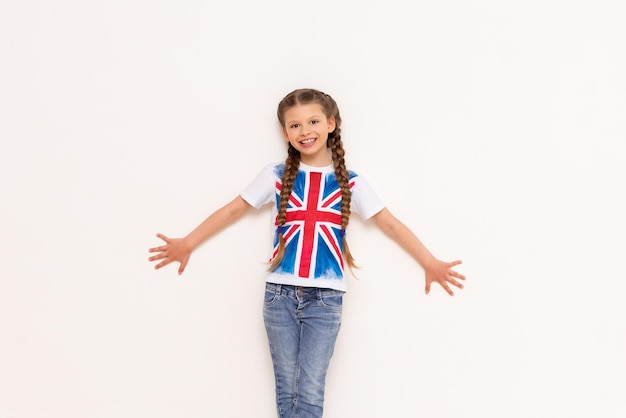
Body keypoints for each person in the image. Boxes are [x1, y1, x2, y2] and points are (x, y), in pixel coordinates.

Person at [148, 88, 465, 418]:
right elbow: (232, 211)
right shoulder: (275, 175)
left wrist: (429, 261)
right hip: (278, 296)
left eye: (313, 121)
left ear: (330, 124)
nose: (305, 131)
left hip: (326, 299)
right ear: (285, 132)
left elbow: (390, 224)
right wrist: (187, 243)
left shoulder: (352, 183)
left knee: (310, 390)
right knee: (287, 389)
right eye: (294, 125)